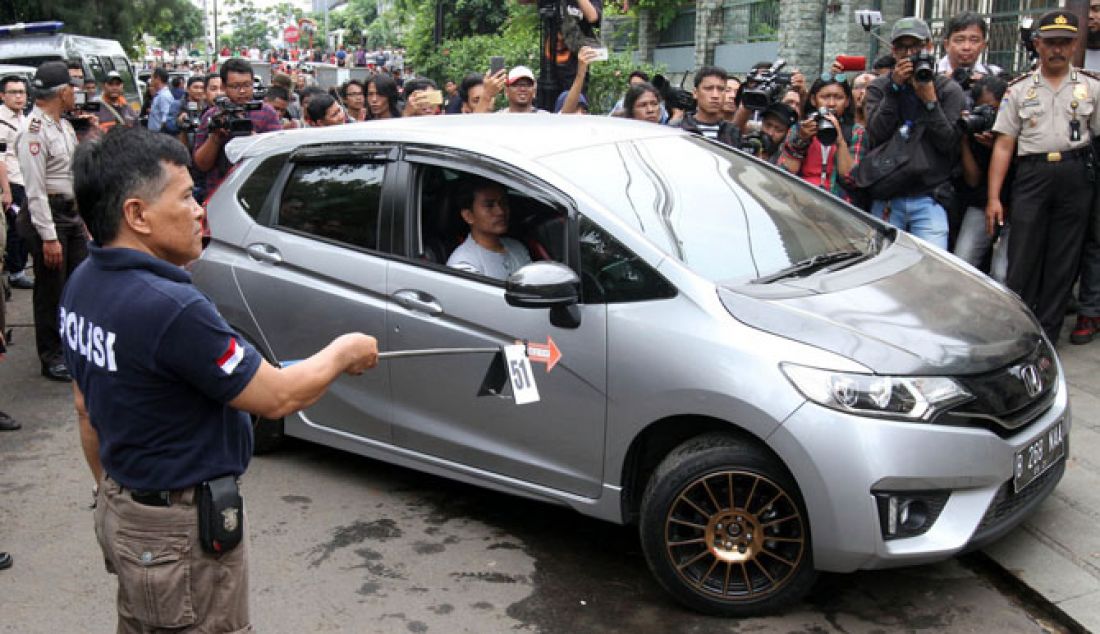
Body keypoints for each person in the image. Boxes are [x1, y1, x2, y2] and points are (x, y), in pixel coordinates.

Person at [67, 123, 380, 634]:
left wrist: (114, 496)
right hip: (175, 532)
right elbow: (277, 397)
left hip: (125, 512)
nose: (199, 211)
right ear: (137, 215)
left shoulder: (86, 281)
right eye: (187, 197)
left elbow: (85, 407)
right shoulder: (172, 307)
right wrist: (345, 351)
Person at [987, 10, 1100, 344]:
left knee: (1063, 258)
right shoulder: (1019, 90)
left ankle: (1048, 336)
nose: (1058, 50)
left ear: (1074, 44)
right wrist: (994, 197)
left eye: (1065, 43)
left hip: (1075, 173)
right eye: (1051, 43)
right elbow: (1004, 144)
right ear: (1038, 44)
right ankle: (1018, 331)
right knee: (1023, 256)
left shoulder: (1090, 87)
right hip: (1032, 176)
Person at [14, 61, 92, 382]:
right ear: (62, 93)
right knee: (51, 289)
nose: (76, 93)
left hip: (69, 214)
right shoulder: (33, 132)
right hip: (48, 216)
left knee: (77, 284)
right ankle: (52, 355)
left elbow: (71, 176)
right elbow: (34, 192)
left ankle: (72, 346)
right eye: (72, 88)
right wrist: (48, 237)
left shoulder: (63, 126)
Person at [863, 17, 965, 250]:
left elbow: (949, 143)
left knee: (932, 269)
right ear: (894, 51)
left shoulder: (947, 89)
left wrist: (930, 101)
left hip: (929, 195)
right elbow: (876, 134)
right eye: (902, 48)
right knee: (879, 266)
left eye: (916, 47)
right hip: (888, 194)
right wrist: (894, 90)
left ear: (929, 47)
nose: (909, 54)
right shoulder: (880, 86)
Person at [192, 58, 282, 195]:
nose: (242, 91)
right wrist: (215, 138)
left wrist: (253, 140)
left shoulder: (266, 113)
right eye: (235, 86)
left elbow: (277, 158)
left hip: (256, 192)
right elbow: (201, 165)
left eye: (247, 85)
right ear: (223, 86)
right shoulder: (213, 115)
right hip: (218, 191)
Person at [953, 75, 1010, 280]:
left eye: (993, 110)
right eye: (982, 109)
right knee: (961, 264)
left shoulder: (1018, 129)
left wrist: (1001, 146)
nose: (987, 116)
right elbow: (973, 180)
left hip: (1015, 206)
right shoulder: (975, 132)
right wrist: (965, 141)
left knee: (1002, 274)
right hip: (981, 204)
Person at [778, 74, 866, 201]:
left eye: (838, 98)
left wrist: (840, 140)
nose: (831, 104)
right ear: (814, 100)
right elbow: (785, 172)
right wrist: (801, 139)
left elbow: (850, 179)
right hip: (801, 201)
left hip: (838, 205)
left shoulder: (856, 131)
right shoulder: (800, 128)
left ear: (847, 102)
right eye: (825, 97)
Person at [447, 178, 531, 279]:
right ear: (468, 215)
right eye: (489, 205)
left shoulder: (517, 247)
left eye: (503, 203)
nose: (501, 211)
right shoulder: (464, 265)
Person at [537, 0, 602, 112]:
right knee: (545, 115)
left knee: (574, 112)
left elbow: (593, 17)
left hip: (575, 71)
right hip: (549, 70)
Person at [1, 75, 32, 291]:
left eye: (22, 92)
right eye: (13, 92)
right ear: (2, 95)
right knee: (16, 229)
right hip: (11, 182)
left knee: (23, 228)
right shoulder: (2, 121)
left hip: (25, 180)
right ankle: (16, 272)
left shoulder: (23, 119)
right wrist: (6, 190)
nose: (19, 96)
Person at [672, 66, 740, 147]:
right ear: (695, 93)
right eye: (708, 88)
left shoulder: (733, 131)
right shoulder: (677, 129)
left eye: (721, 89)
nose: (715, 95)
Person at [937, 11, 1002, 81]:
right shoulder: (930, 74)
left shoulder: (995, 75)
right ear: (946, 45)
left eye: (974, 40)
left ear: (983, 46)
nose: (966, 47)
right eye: (959, 40)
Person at [146, 68, 173, 132]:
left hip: (159, 136)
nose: (151, 80)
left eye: (152, 77)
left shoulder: (163, 96)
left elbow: (165, 119)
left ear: (158, 79)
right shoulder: (159, 95)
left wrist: (160, 136)